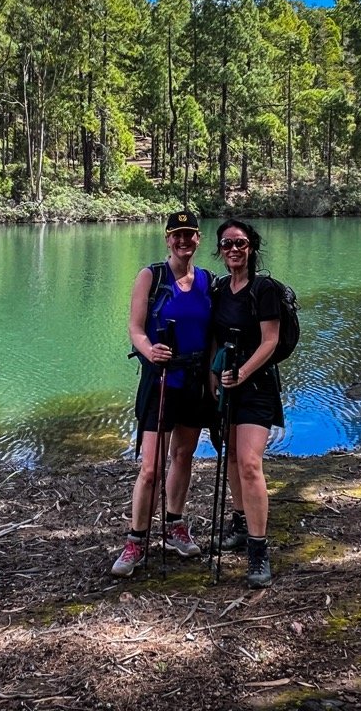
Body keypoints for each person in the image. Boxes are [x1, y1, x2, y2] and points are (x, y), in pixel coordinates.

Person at [112, 210, 214, 577]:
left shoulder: (207, 281)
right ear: (167, 239)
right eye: (176, 235)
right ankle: (136, 540)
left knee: (184, 454)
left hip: (194, 381)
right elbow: (135, 328)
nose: (183, 241)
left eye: (189, 235)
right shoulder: (150, 276)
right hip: (159, 381)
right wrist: (148, 349)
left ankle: (174, 525)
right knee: (151, 467)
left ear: (198, 239)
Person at [210, 218, 283, 588]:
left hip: (257, 388)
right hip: (226, 387)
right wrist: (215, 380)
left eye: (240, 243)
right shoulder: (220, 288)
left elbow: (270, 341)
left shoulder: (264, 288)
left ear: (251, 247)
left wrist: (243, 373)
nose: (233, 250)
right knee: (233, 458)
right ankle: (238, 523)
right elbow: (214, 338)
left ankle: (258, 549)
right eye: (227, 244)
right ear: (220, 250)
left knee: (251, 463)